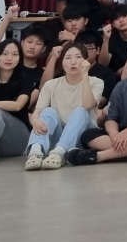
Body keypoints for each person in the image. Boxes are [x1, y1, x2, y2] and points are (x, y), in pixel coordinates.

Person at [24, 43, 104, 171]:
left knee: (81, 111)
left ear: (85, 61)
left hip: (83, 137)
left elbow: (88, 105)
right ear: (61, 63)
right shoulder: (51, 85)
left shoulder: (96, 82)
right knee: (48, 111)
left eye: (78, 57)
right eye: (67, 58)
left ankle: (60, 152)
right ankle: (36, 151)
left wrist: (84, 75)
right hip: (58, 137)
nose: (73, 62)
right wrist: (35, 121)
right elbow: (37, 111)